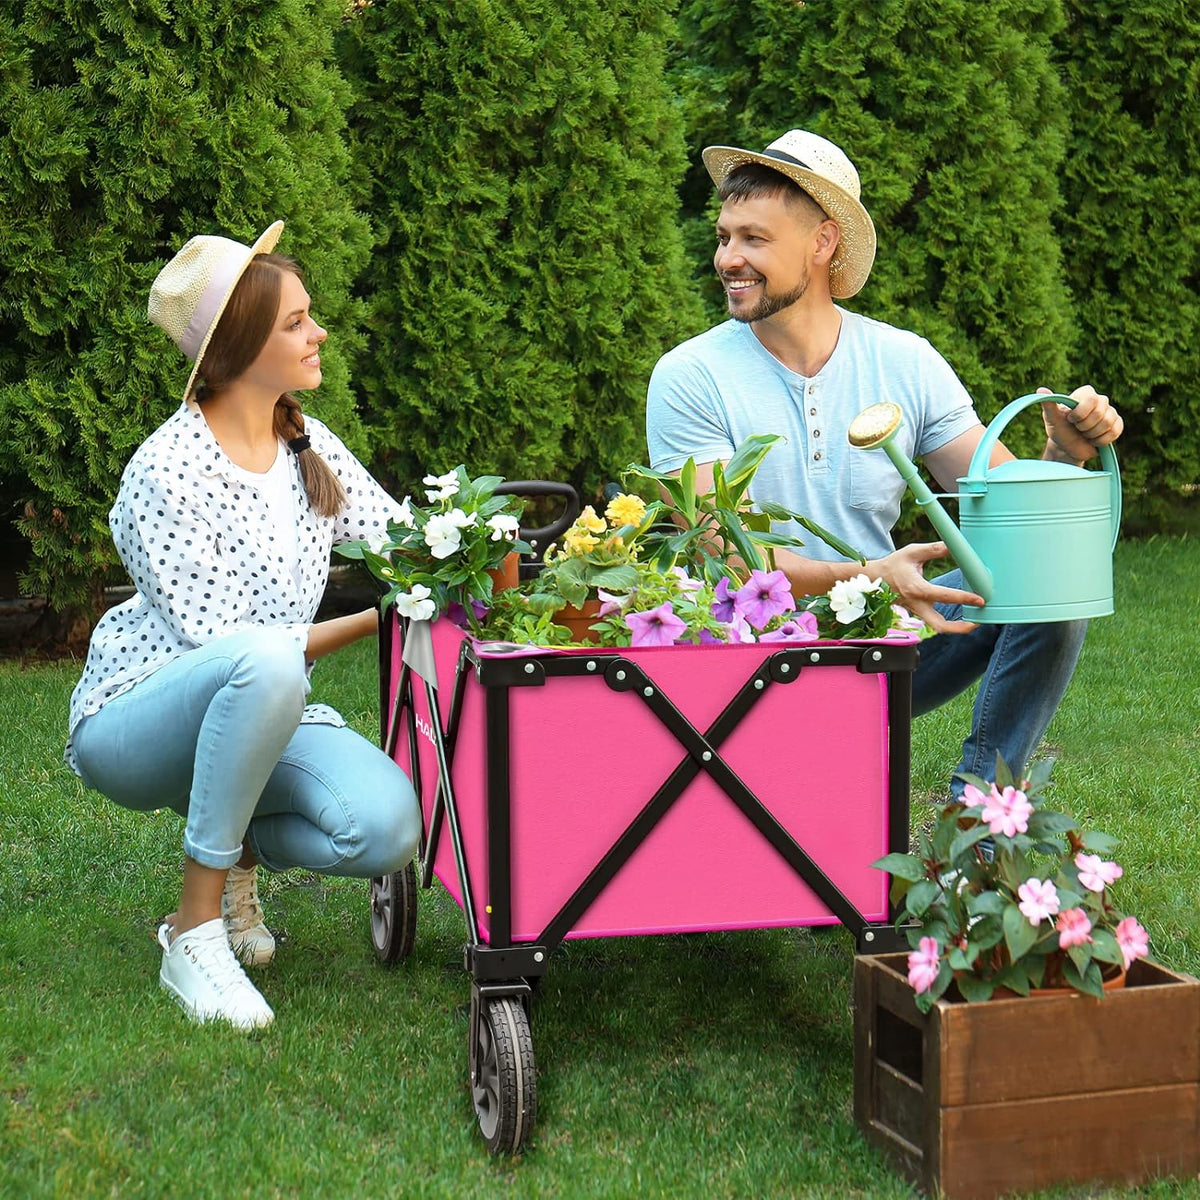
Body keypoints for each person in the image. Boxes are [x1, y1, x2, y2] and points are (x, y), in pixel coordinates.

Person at [647, 129, 1123, 800]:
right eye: (725, 236)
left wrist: (1061, 456)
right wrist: (873, 576)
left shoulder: (903, 361)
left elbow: (1010, 522)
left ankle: (983, 822)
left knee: (1047, 584)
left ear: (822, 242)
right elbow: (735, 561)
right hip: (749, 668)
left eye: (754, 239)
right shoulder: (690, 376)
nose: (729, 257)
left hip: (879, 649)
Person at [66, 221, 421, 1030]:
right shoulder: (166, 470)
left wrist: (479, 551)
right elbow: (230, 647)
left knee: (386, 826)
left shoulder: (307, 444)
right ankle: (194, 932)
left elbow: (404, 543)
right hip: (137, 718)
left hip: (264, 699)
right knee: (263, 663)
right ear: (238, 346)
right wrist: (378, 619)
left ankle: (234, 860)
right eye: (295, 321)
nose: (318, 331)